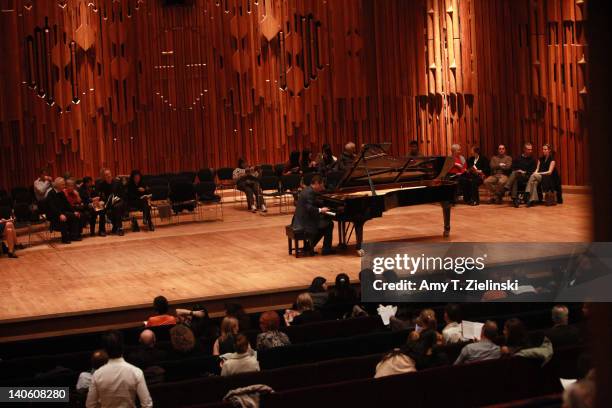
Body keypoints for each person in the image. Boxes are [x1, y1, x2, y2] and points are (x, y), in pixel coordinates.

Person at [86, 330, 152, 408]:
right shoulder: (136, 372)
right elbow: (147, 405)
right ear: (123, 347)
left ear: (105, 350)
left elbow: (90, 405)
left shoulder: (97, 375)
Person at [291, 174, 335, 256]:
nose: (322, 188)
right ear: (317, 183)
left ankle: (310, 246)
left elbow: (313, 203)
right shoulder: (310, 192)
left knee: (324, 223)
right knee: (329, 224)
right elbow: (310, 208)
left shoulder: (308, 189)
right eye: (321, 186)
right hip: (303, 223)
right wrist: (321, 210)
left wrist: (321, 206)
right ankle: (326, 249)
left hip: (301, 219)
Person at [46, 177, 82, 244]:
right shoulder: (51, 194)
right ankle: (65, 239)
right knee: (63, 218)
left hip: (62, 213)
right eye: (62, 184)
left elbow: (67, 204)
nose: (64, 186)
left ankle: (74, 236)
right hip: (54, 215)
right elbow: (52, 208)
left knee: (75, 215)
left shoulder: (61, 192)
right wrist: (60, 215)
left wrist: (74, 211)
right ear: (58, 185)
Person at [503, 142, 536, 207]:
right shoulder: (518, 158)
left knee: (514, 174)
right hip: (518, 175)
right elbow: (513, 167)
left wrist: (524, 172)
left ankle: (507, 187)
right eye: (528, 149)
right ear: (524, 149)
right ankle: (515, 199)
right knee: (514, 178)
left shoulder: (532, 160)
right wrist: (518, 170)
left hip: (527, 176)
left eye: (531, 149)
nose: (530, 151)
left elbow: (533, 171)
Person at [95, 168, 126, 236]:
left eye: (109, 174)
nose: (109, 175)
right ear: (103, 177)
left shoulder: (117, 182)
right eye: (106, 175)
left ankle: (119, 228)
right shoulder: (101, 184)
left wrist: (117, 199)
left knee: (116, 207)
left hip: (118, 201)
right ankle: (102, 230)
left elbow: (123, 194)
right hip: (107, 202)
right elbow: (98, 195)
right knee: (101, 209)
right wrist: (101, 201)